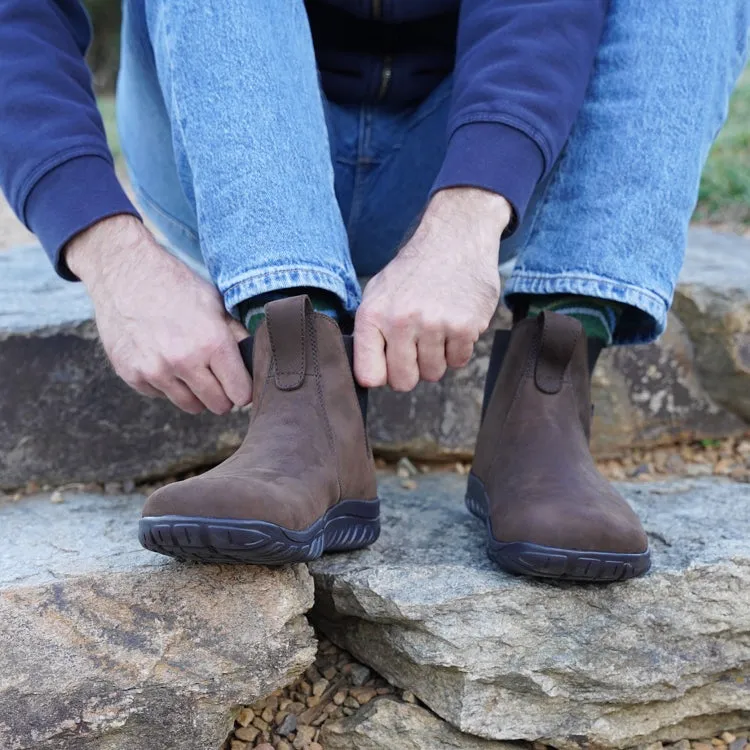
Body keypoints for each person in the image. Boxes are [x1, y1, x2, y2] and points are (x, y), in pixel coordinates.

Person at [1, 1, 746, 582]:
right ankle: (303, 400)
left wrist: (472, 206)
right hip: (230, 136)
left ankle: (545, 397)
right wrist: (106, 249)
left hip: (469, 144)